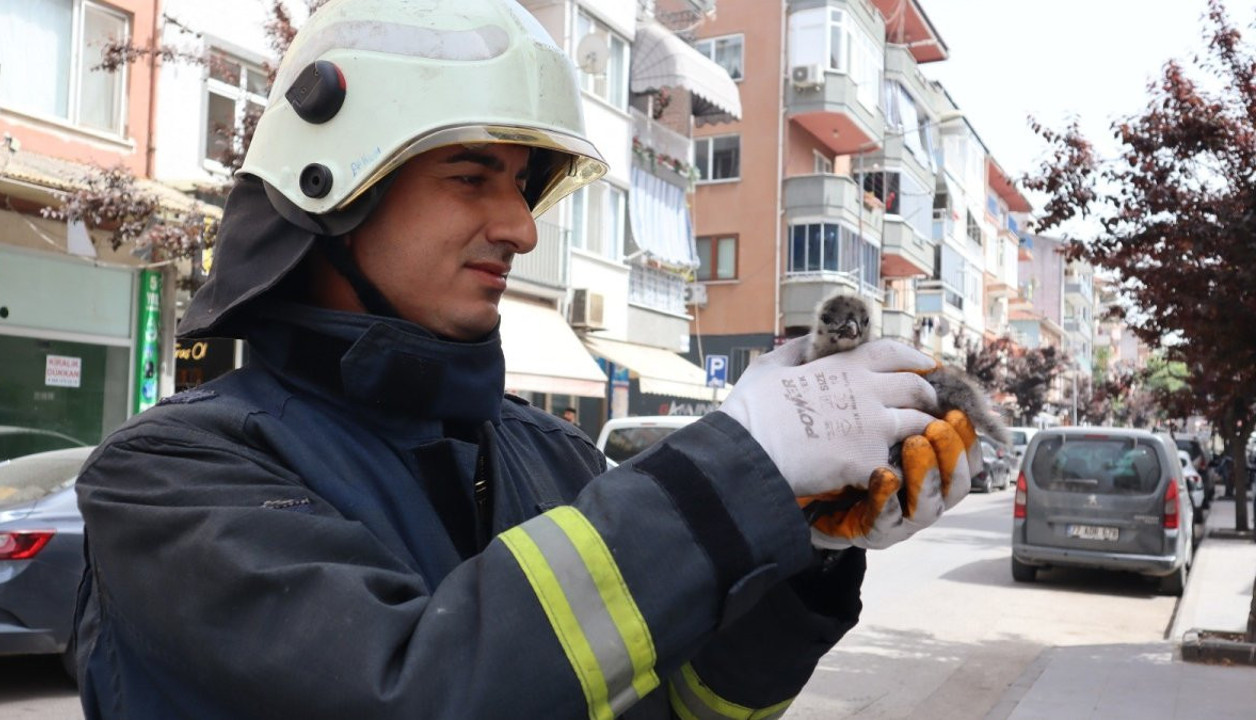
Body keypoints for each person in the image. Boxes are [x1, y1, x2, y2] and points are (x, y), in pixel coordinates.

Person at [71, 1, 978, 718]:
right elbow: (417, 695)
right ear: (333, 192)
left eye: (521, 185)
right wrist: (732, 474)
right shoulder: (169, 480)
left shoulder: (554, 459)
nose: (520, 226)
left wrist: (800, 552)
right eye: (471, 177)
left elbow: (684, 704)